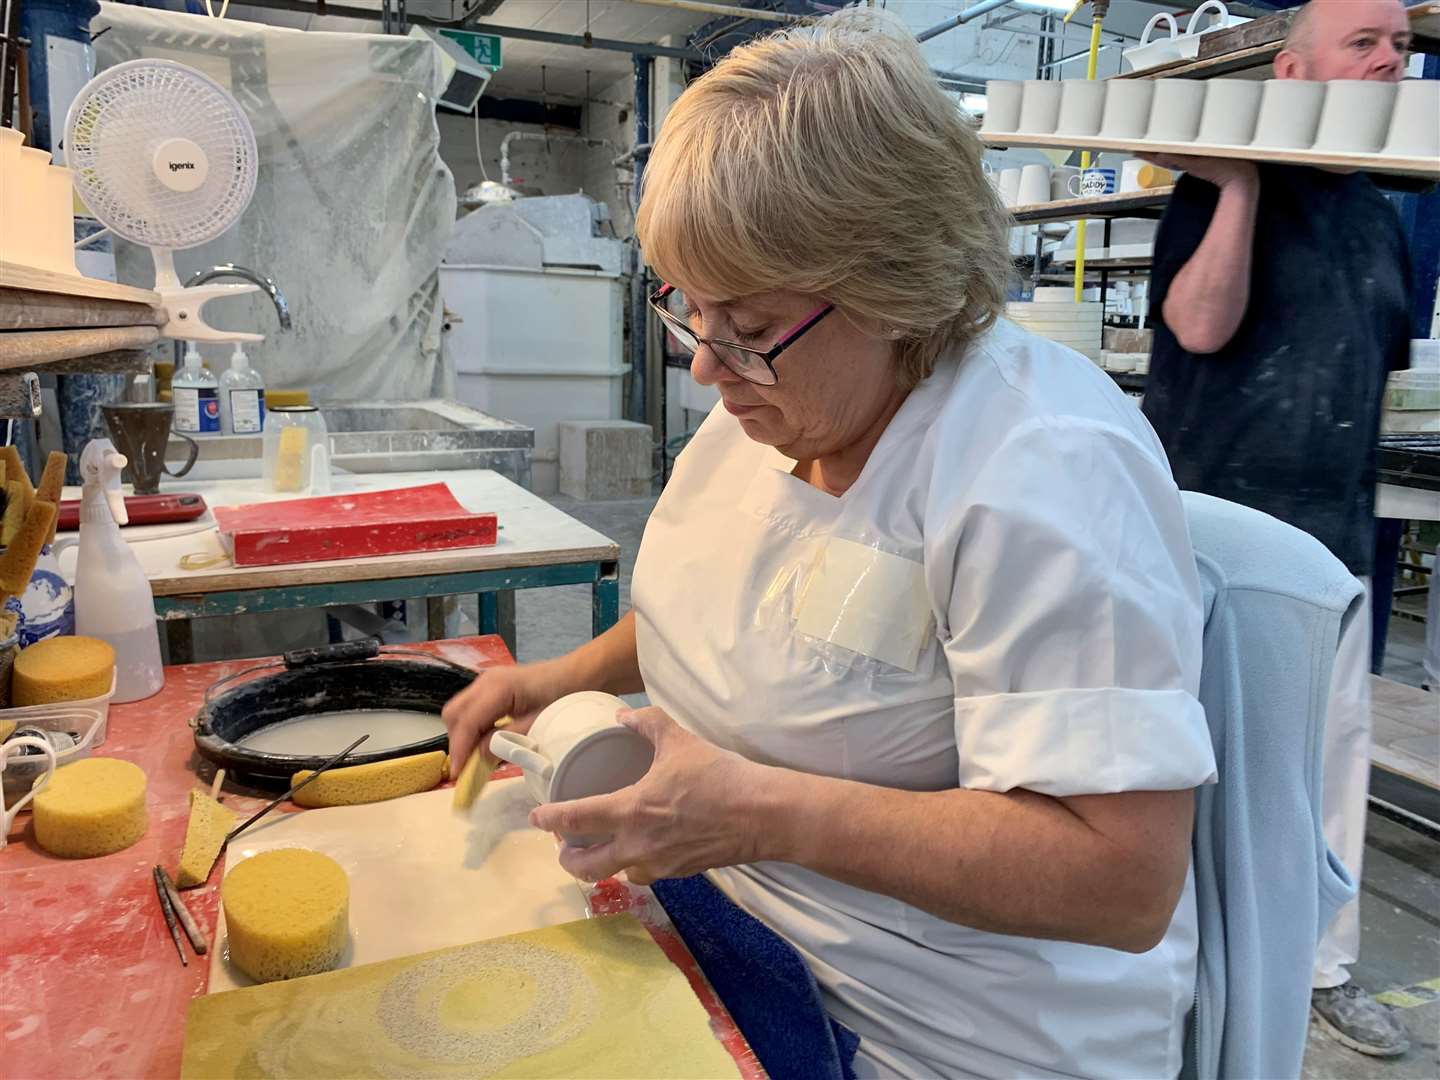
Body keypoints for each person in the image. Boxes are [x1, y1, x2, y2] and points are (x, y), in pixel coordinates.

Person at [446, 10, 1217, 1077]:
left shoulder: (1040, 470)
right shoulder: (776, 402)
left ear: (897, 291)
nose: (706, 370)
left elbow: (1122, 882)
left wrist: (759, 815)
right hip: (742, 924)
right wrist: (551, 679)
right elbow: (740, 606)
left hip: (936, 1027)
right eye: (688, 313)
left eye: (749, 330)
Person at [1139, 0, 1414, 1058]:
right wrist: (1245, 184)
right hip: (1209, 538)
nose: (1391, 60)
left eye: (1399, 44)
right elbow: (1202, 324)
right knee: (1186, 759)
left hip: (1334, 540)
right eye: (1365, 44)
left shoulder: (1386, 214)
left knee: (1332, 764)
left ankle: (1322, 970)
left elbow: (1376, 376)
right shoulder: (1215, 193)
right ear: (1294, 72)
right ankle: (1170, 956)